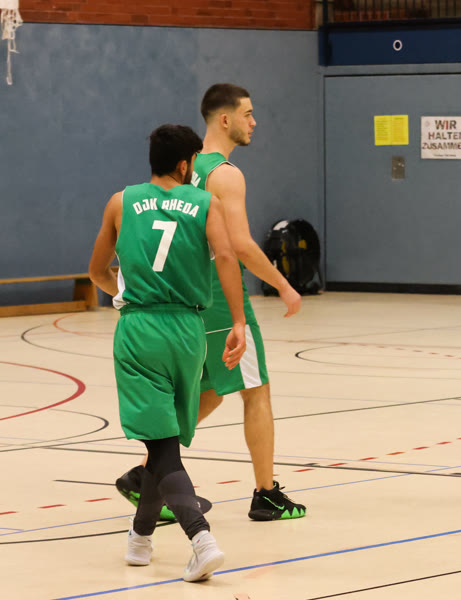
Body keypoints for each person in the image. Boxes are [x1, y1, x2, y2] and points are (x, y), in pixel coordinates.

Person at [115, 83, 306, 522]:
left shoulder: (183, 167)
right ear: (225, 119)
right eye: (247, 114)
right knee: (256, 390)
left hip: (186, 300)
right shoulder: (225, 174)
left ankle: (147, 475)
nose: (254, 122)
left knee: (207, 393)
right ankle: (266, 493)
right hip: (220, 299)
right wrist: (283, 284)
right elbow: (238, 245)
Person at [89, 124, 247, 581]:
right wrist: (238, 322)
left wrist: (124, 295)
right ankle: (140, 539)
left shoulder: (121, 202)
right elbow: (226, 257)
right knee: (166, 441)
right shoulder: (206, 203)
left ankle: (201, 539)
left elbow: (97, 270)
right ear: (184, 164)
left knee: (161, 447)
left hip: (141, 329)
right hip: (188, 330)